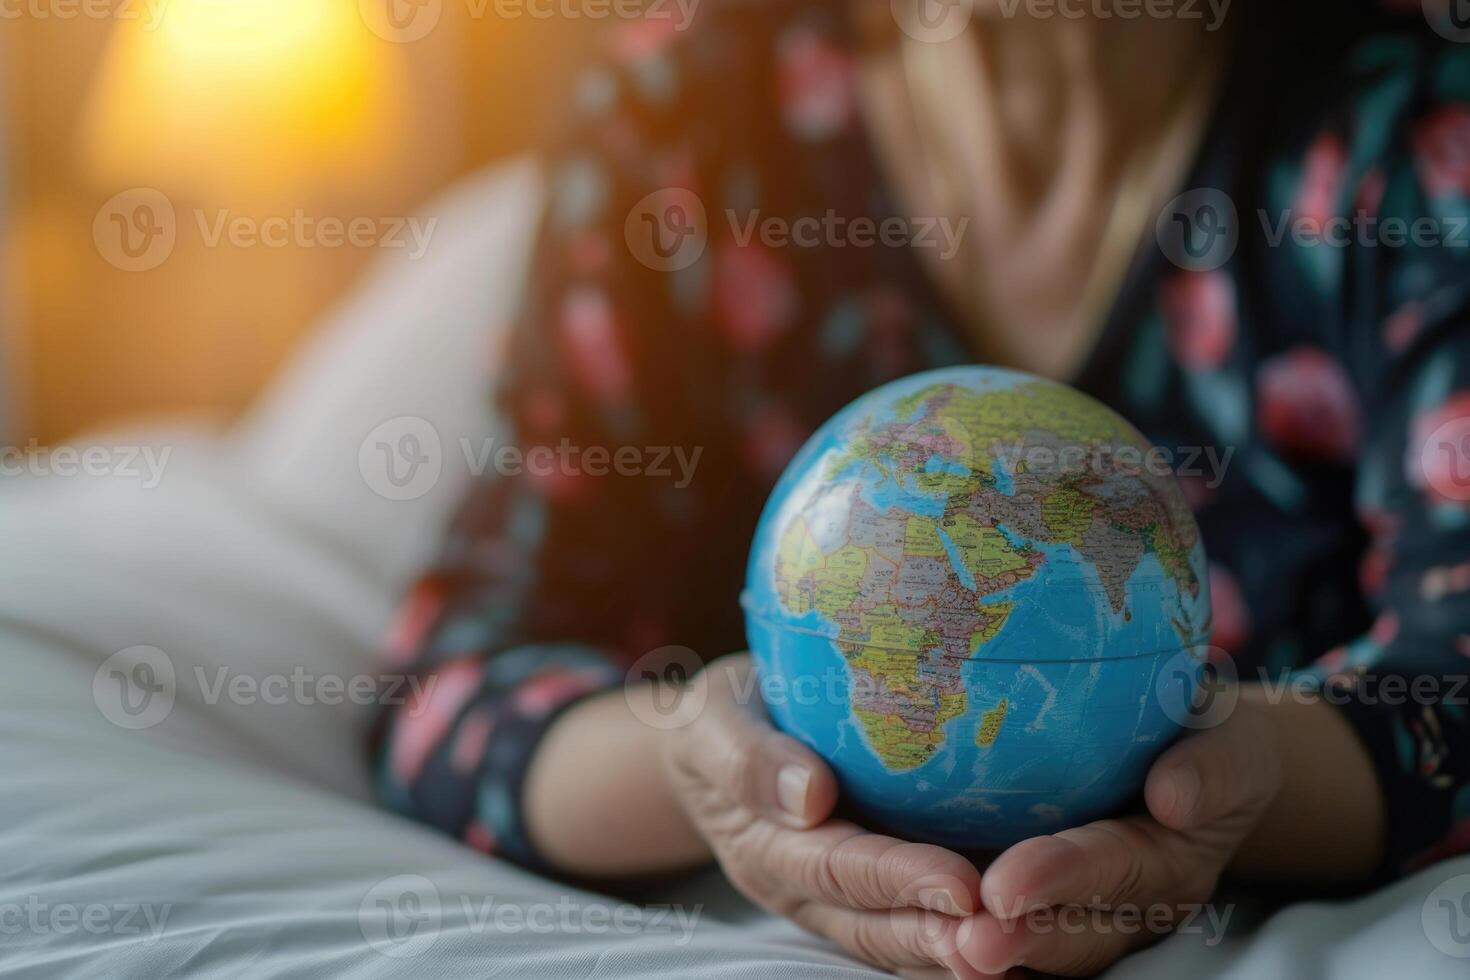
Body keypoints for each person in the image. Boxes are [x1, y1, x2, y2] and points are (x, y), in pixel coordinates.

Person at [373, 1, 1470, 975]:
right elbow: (450, 683)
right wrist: (707, 773)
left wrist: (1256, 780)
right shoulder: (686, 110)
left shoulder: (1413, 119)